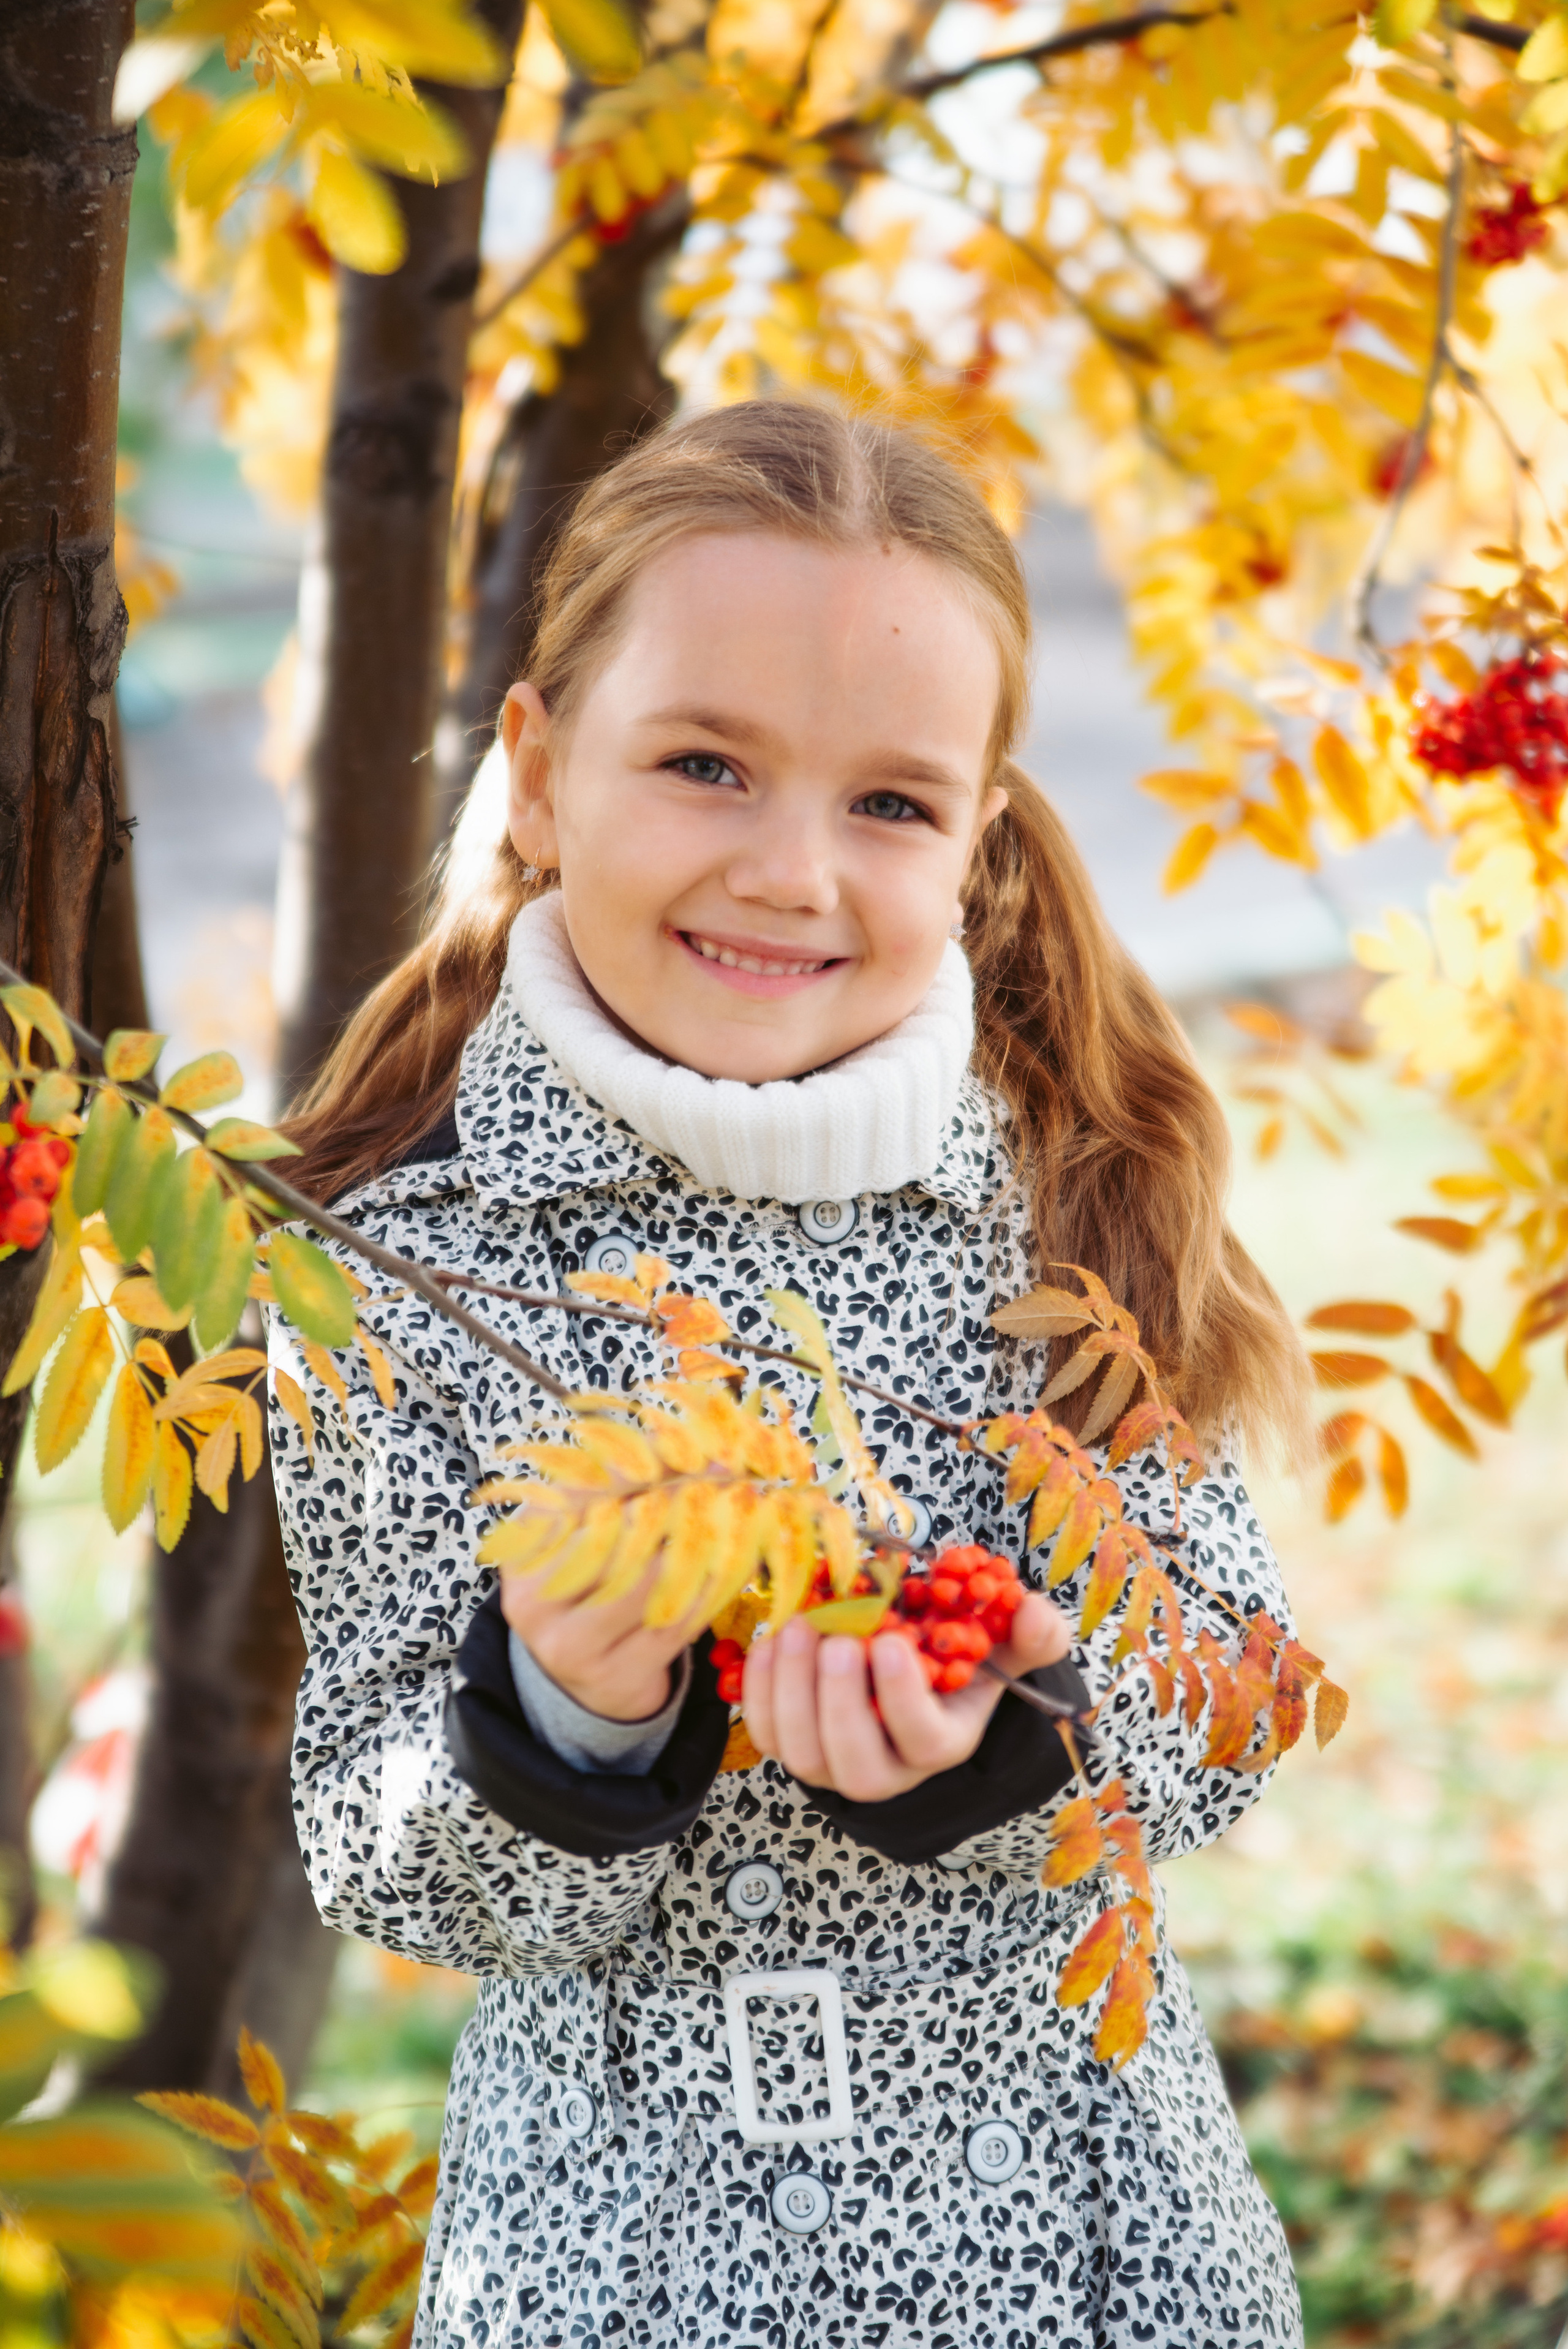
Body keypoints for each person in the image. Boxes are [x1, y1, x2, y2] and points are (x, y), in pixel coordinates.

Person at [271, 399, 1310, 2349]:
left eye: (889, 804)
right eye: (705, 765)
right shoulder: (398, 1253)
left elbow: (1227, 1697)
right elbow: (377, 1839)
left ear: (975, 834)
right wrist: (567, 1712)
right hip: (614, 2255)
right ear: (542, 771)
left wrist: (1018, 1741)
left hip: (1070, 2243)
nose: (792, 871)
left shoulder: (1075, 1184)